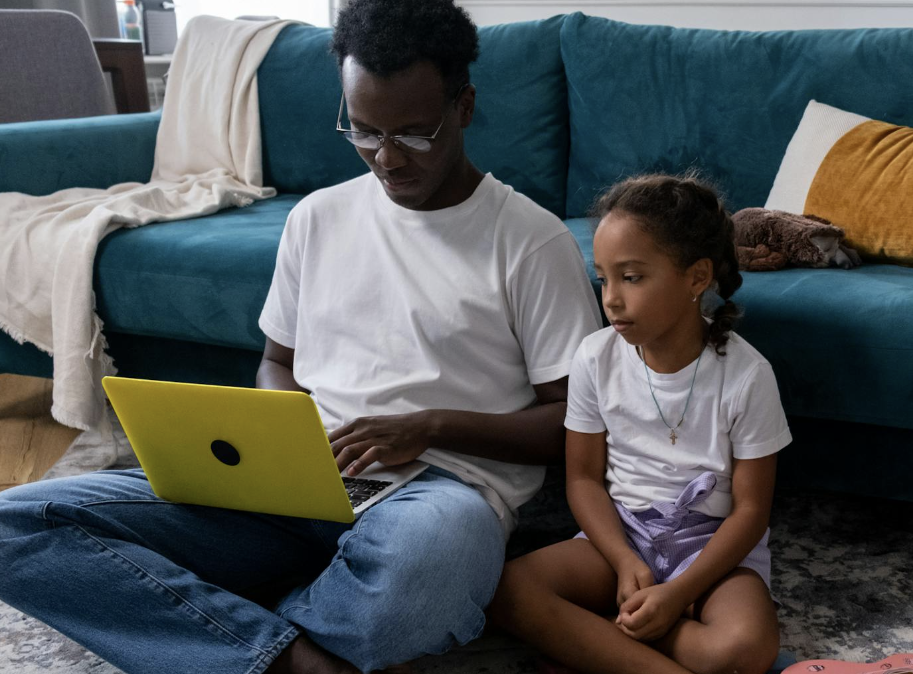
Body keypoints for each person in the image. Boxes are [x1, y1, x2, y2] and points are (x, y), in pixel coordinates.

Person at [0, 1, 601, 672]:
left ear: (463, 107)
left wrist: (428, 427)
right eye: (365, 131)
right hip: (294, 481)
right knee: (17, 523)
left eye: (413, 133)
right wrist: (284, 429)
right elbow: (276, 360)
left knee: (431, 568)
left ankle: (236, 635)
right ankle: (295, 655)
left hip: (437, 492)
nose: (387, 157)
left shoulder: (530, 241)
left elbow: (574, 424)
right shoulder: (317, 219)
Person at [488, 174, 792, 674]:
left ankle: (600, 636)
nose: (610, 299)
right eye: (604, 277)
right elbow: (584, 480)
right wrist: (627, 562)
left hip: (712, 548)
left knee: (745, 650)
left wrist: (678, 594)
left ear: (696, 278)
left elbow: (751, 511)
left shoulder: (748, 376)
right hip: (621, 537)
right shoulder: (594, 357)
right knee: (506, 590)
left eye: (631, 278)